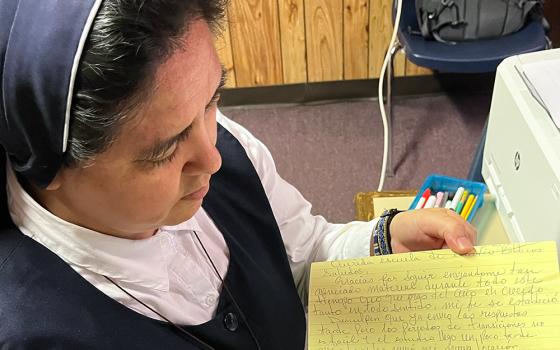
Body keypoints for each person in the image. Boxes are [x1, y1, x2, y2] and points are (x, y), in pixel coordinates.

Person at [0, 1, 476, 349]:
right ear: (52, 167)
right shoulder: (36, 331)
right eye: (165, 151)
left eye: (213, 98)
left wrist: (380, 239)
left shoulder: (224, 141)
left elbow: (300, 251)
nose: (213, 159)